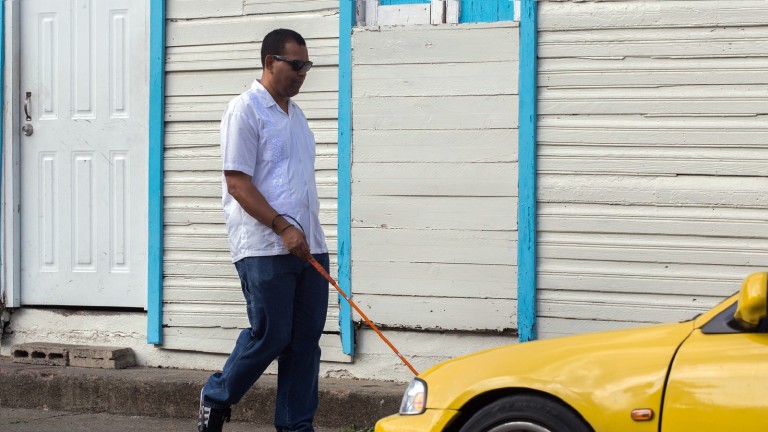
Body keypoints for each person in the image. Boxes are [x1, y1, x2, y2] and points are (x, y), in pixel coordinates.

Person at [197, 28, 330, 432]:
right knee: (271, 335)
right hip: (263, 245)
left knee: (305, 342)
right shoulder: (245, 110)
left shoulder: (297, 116)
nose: (302, 72)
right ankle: (216, 395)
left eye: (306, 65)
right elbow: (237, 182)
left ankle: (295, 425)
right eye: (295, 64)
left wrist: (303, 234)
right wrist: (280, 226)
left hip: (309, 246)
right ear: (270, 62)